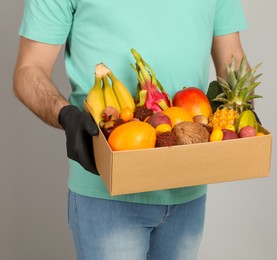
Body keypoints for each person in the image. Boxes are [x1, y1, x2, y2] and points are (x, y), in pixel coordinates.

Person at [13, 0, 249, 259]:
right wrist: (65, 114)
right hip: (106, 192)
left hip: (188, 185)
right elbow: (28, 69)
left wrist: (240, 107)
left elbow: (232, 57)